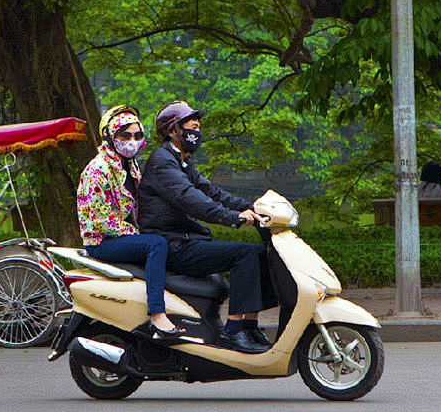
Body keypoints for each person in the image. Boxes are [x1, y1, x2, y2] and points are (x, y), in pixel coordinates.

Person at [138, 100, 296, 354]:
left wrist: (254, 207)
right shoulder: (162, 162)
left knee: (258, 253)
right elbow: (191, 199)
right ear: (172, 131)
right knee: (244, 255)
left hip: (188, 240)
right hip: (173, 244)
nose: (196, 132)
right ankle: (233, 332)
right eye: (191, 127)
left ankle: (250, 325)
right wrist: (232, 217)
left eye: (198, 127)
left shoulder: (182, 162)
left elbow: (212, 192)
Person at [76, 105, 184, 339]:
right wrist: (137, 233)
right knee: (156, 244)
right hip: (102, 241)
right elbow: (102, 220)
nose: (132, 141)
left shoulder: (128, 166)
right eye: (125, 135)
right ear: (111, 136)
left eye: (137, 135)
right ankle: (157, 314)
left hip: (123, 235)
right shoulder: (98, 169)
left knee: (165, 239)